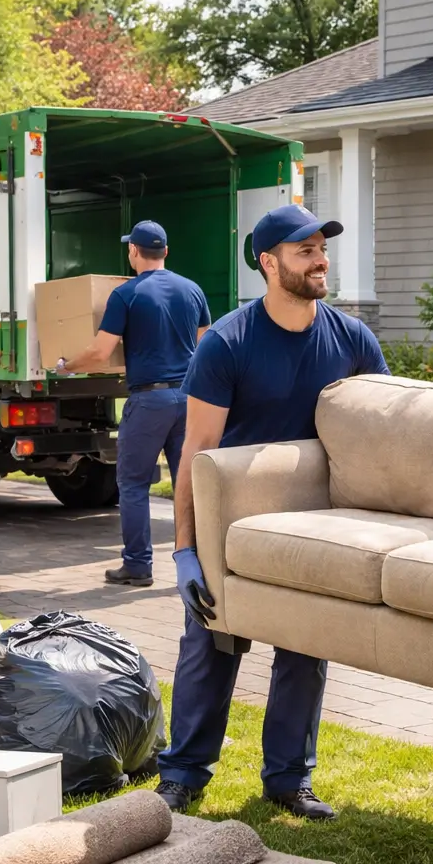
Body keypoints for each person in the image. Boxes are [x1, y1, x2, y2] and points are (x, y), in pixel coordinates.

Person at [153, 204, 388, 821]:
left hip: (315, 523)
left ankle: (288, 779)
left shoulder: (353, 338)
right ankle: (183, 774)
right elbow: (196, 454)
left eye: (321, 248)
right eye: (304, 249)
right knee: (211, 643)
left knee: (305, 648)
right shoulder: (228, 342)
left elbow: (383, 430)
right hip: (234, 523)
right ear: (268, 262)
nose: (320, 259)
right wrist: (184, 550)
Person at [57, 220, 210, 588]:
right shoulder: (192, 290)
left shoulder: (126, 294)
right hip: (189, 399)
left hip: (149, 401)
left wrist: (67, 366)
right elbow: (206, 346)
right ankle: (200, 568)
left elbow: (100, 352)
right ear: (166, 252)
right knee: (189, 485)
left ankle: (138, 565)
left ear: (134, 252)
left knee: (133, 484)